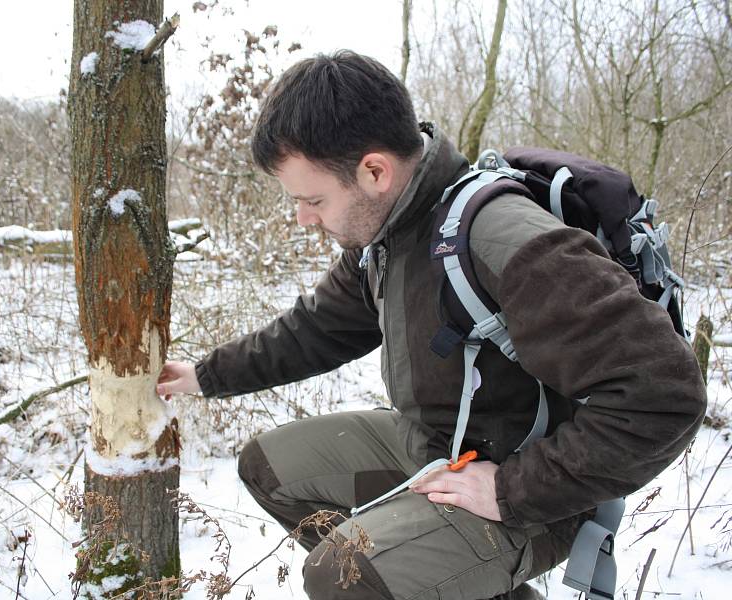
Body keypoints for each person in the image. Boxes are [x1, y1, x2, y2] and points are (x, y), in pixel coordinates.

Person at [157, 51, 706, 600]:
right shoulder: (385, 236)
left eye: (313, 199)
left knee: (340, 575)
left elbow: (665, 394)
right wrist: (203, 375)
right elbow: (316, 328)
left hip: (536, 489)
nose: (303, 218)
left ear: (374, 171)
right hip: (436, 446)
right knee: (269, 468)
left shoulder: (501, 239)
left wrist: (511, 490)